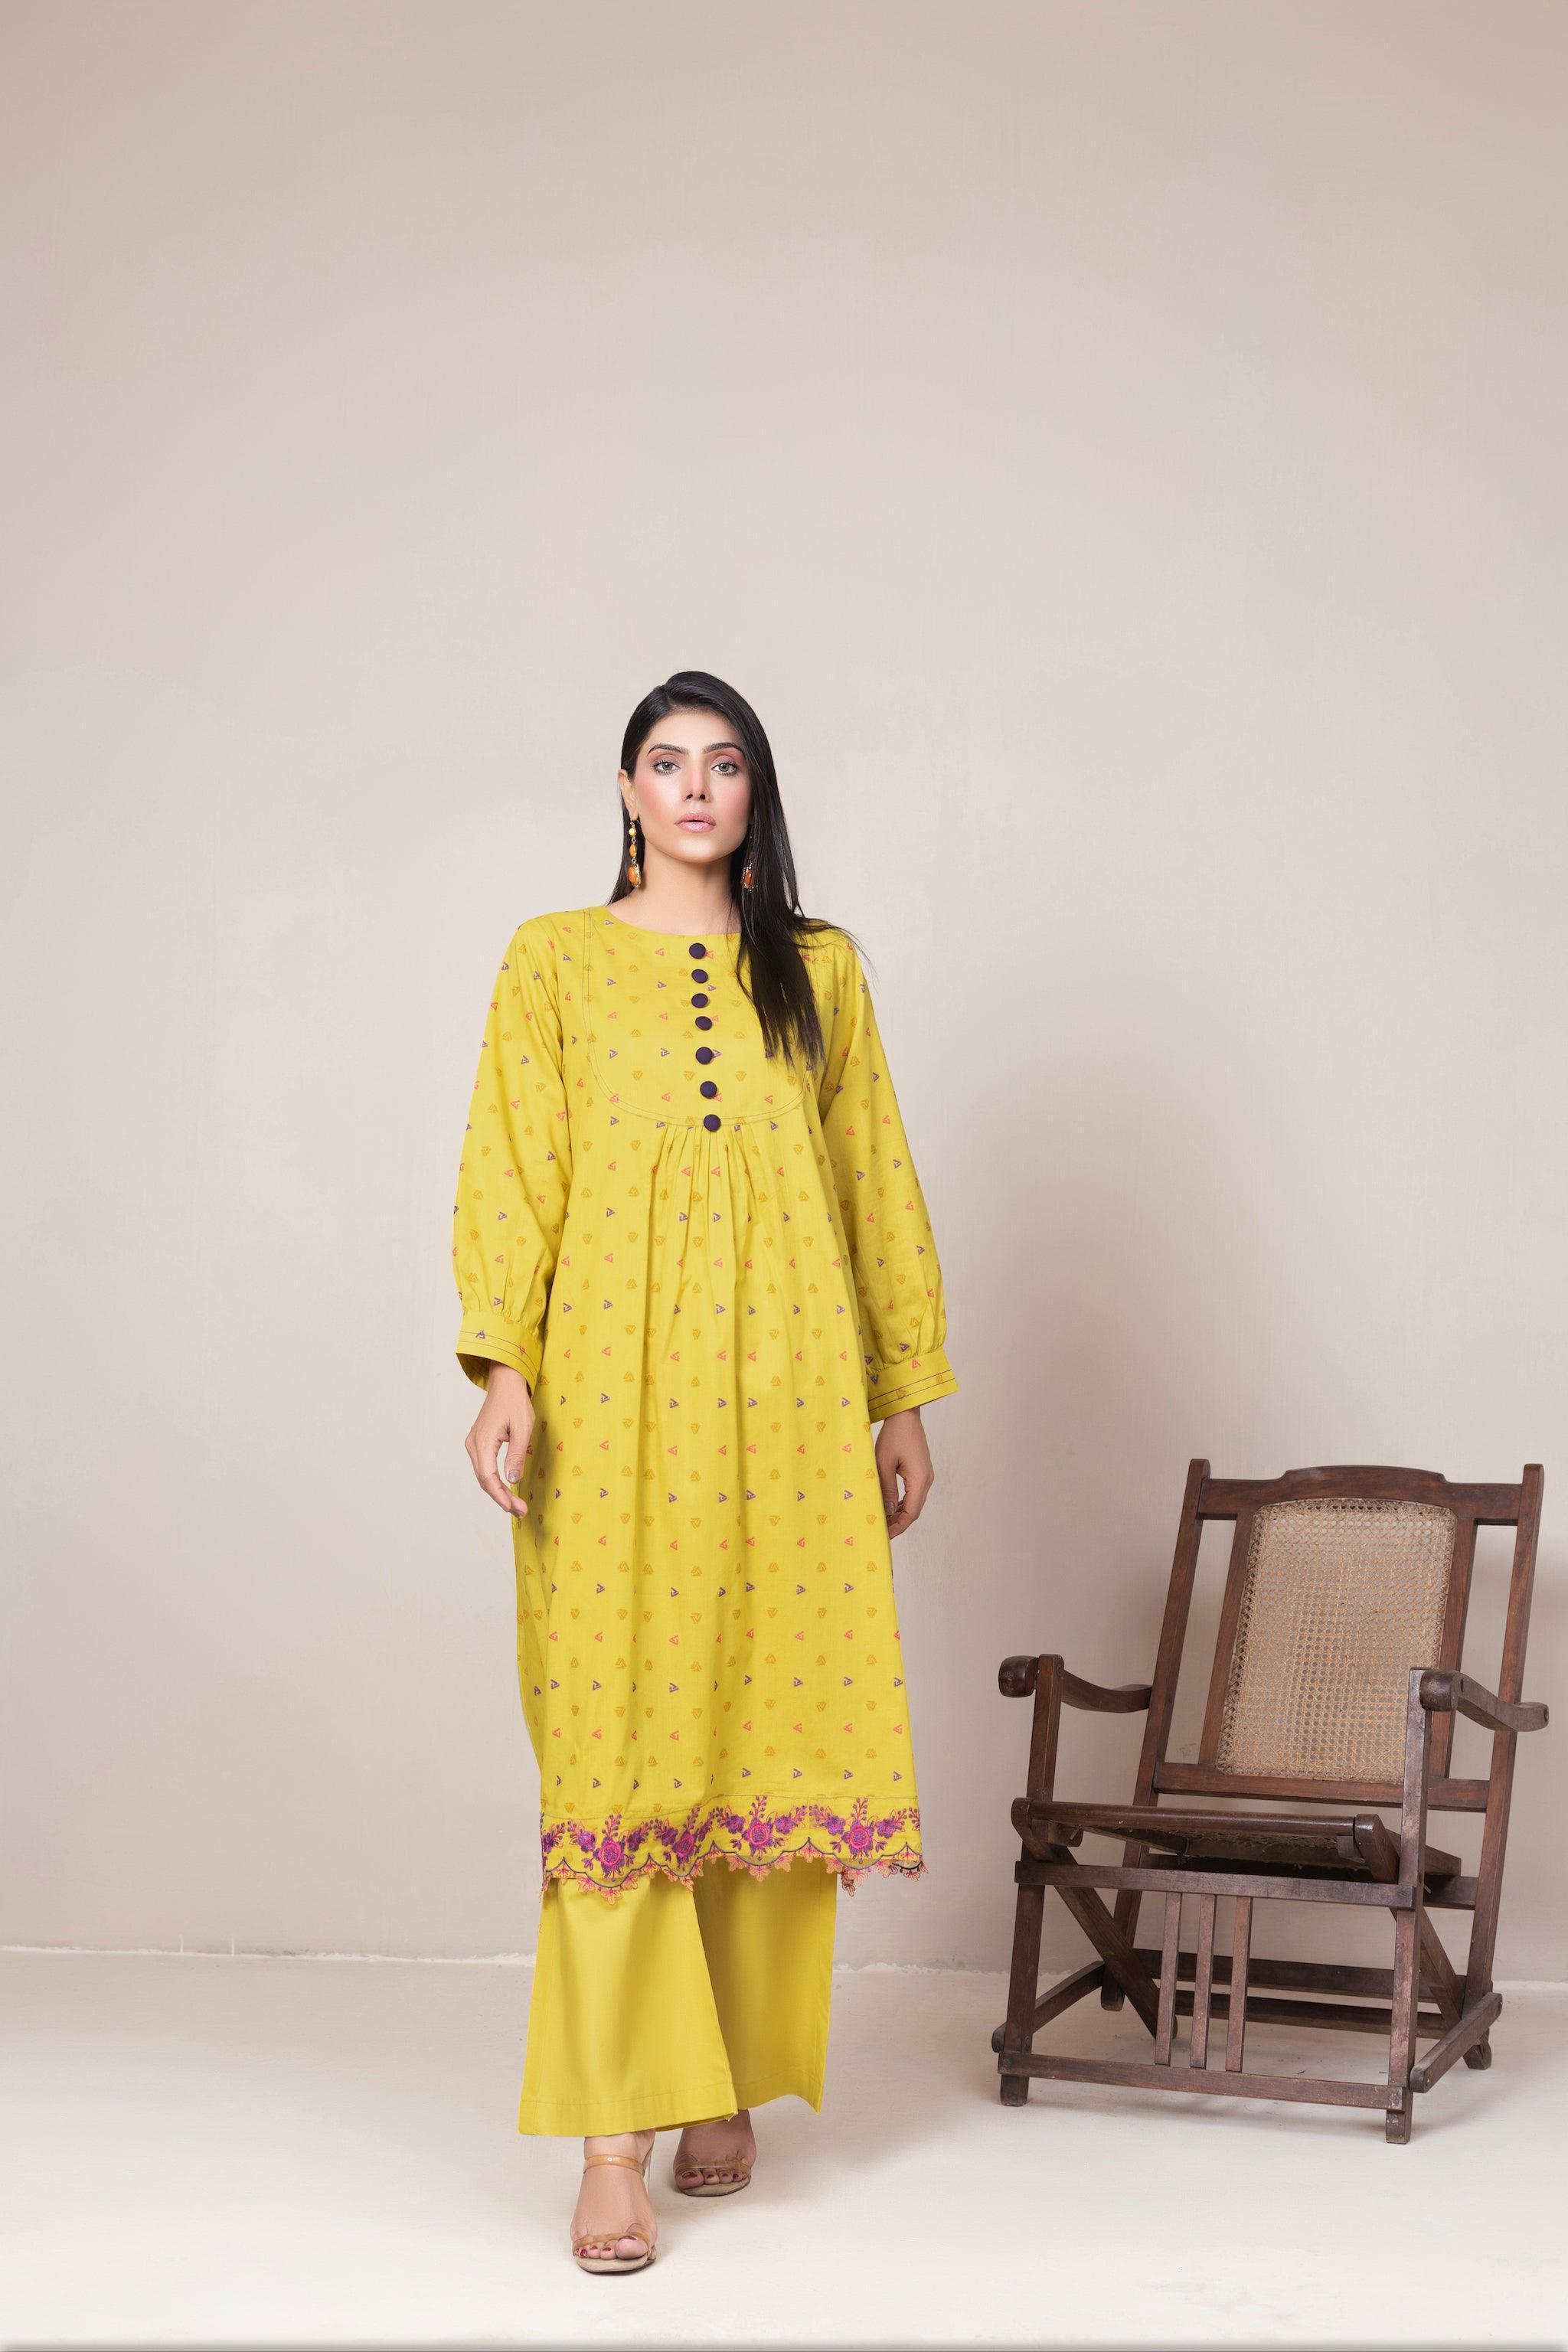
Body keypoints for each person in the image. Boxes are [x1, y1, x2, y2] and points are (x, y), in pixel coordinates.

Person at [452, 670, 959, 2272]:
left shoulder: (821, 970)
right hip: (613, 1399)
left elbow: (872, 1179)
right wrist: (506, 1370)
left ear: (755, 793)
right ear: (624, 788)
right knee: (617, 1740)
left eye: (723, 763)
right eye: (665, 762)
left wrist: (900, 1395)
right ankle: (613, 2141)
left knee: (761, 1716)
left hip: (791, 1402)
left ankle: (725, 2076)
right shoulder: (551, 961)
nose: (693, 787)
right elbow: (513, 1170)